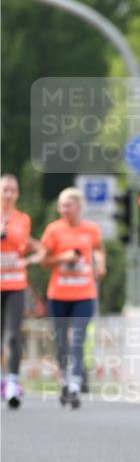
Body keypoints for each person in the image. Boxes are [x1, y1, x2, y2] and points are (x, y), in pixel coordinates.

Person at [40, 187, 106, 408]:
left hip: (84, 294)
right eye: (61, 206)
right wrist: (63, 258)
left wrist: (101, 264)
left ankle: (75, 385)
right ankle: (65, 380)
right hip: (58, 294)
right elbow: (44, 261)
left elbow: (98, 249)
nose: (63, 210)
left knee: (78, 338)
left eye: (67, 205)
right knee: (61, 341)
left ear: (79, 207)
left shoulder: (91, 230)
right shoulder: (53, 230)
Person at [0, 174, 43, 408]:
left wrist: (32, 259)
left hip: (15, 285)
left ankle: (13, 384)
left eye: (12, 190)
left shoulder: (22, 219)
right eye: (4, 189)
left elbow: (28, 246)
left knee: (12, 335)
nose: (8, 194)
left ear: (17, 194)